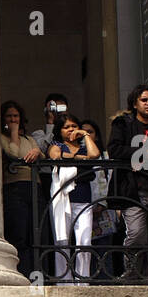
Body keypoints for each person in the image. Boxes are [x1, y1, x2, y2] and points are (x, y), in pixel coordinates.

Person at [108, 84, 148, 282]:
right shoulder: (123, 124)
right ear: (135, 103)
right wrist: (144, 154)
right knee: (136, 234)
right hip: (132, 189)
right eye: (144, 100)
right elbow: (115, 150)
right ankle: (132, 273)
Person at [47, 113, 100, 282]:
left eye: (73, 126)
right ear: (59, 130)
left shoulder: (84, 146)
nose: (71, 129)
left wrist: (85, 135)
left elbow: (95, 154)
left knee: (84, 241)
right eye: (66, 127)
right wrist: (79, 159)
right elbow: (55, 155)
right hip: (63, 198)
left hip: (83, 199)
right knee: (62, 241)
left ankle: (82, 279)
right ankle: (64, 280)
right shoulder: (57, 144)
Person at [0, 102, 41, 277]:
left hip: (34, 187)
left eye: (16, 116)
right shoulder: (1, 137)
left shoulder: (29, 139)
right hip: (15, 188)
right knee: (19, 234)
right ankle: (22, 275)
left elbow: (40, 154)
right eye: (9, 116)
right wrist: (14, 132)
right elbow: (13, 154)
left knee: (36, 235)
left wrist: (37, 152)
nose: (13, 119)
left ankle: (36, 277)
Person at [81, 119, 117, 282]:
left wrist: (102, 204)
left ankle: (104, 282)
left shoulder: (105, 156)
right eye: (83, 132)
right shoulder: (77, 155)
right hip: (82, 207)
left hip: (103, 208)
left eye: (90, 132)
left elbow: (109, 181)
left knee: (103, 250)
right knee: (83, 248)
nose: (86, 135)